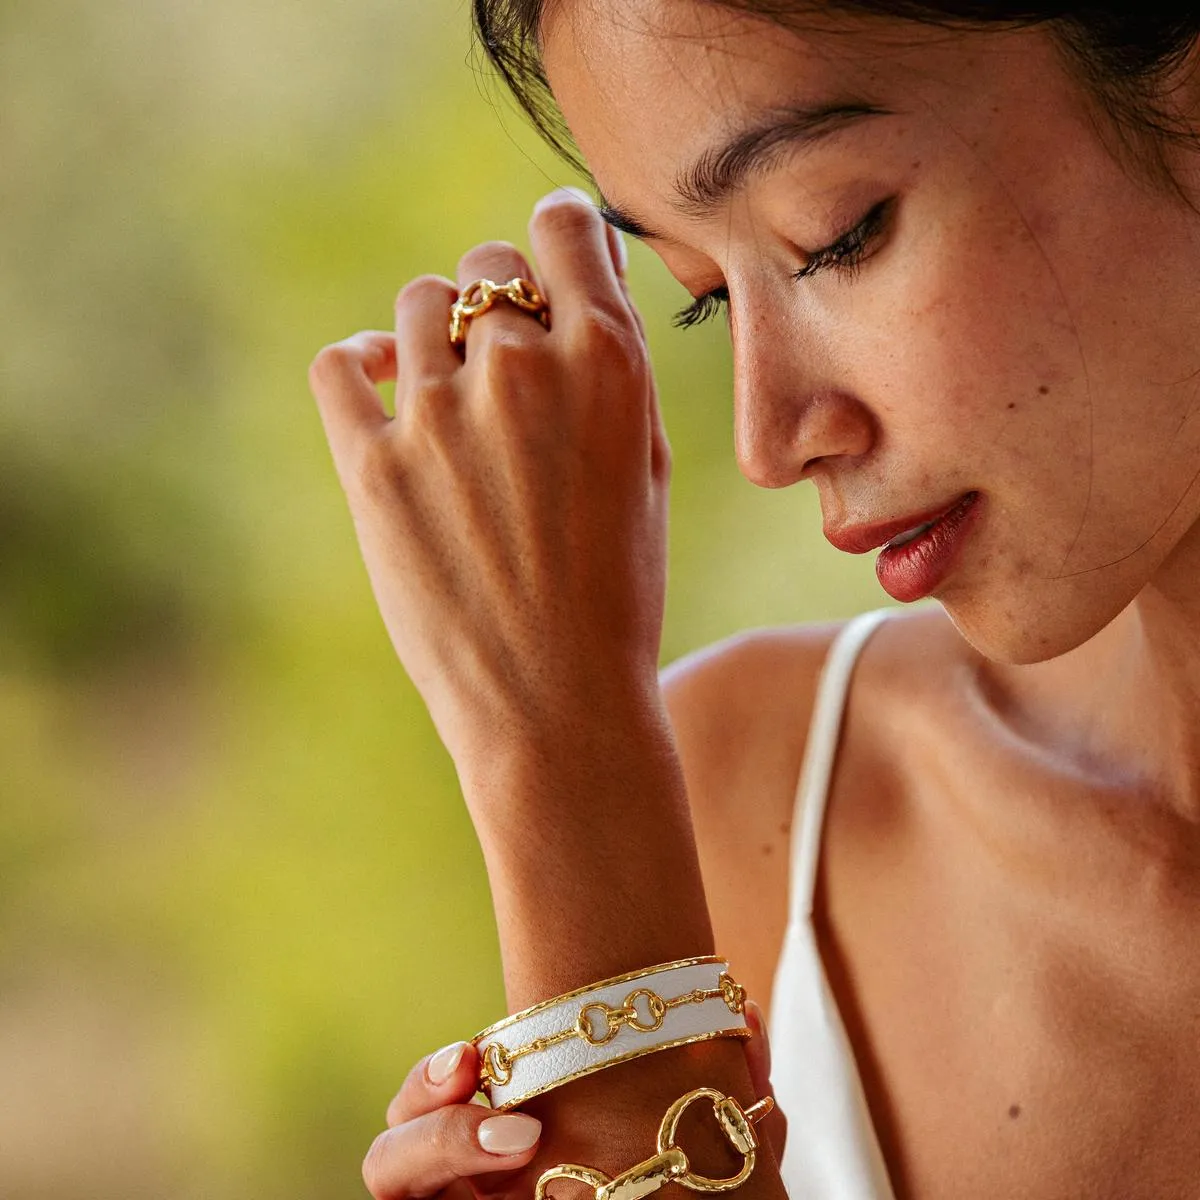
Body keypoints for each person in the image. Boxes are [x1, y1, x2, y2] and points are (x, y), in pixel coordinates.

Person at [307, 4, 1200, 1197]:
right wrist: (561, 775)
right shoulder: (762, 803)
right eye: (706, 295)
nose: (767, 440)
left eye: (838, 236)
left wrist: (565, 774)